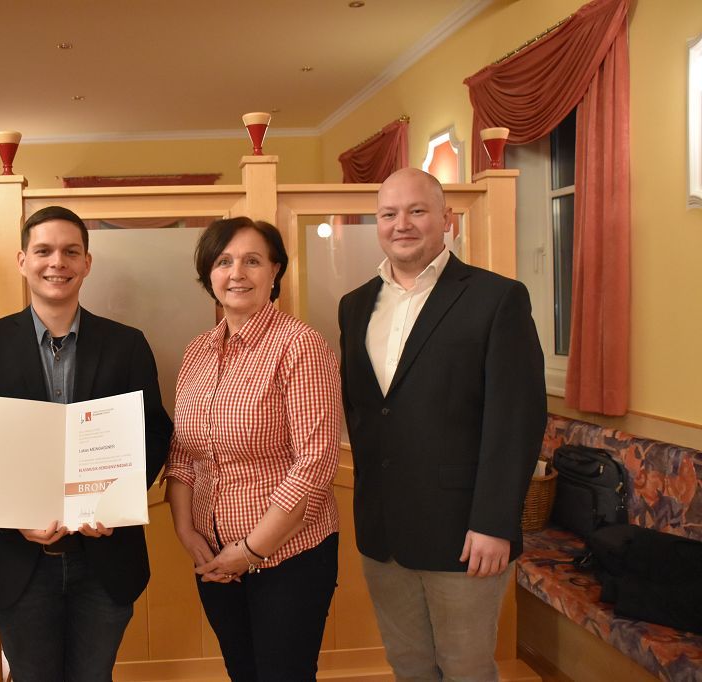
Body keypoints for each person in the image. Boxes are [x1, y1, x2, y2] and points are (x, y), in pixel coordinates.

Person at [0, 205, 172, 682]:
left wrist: (116, 502)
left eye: (70, 252)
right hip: (16, 561)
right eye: (43, 251)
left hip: (105, 559)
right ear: (22, 260)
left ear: (87, 262)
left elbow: (154, 432)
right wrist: (10, 513)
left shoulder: (127, 344)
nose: (57, 263)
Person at [338, 168, 547, 680]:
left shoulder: (497, 298)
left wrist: (495, 521)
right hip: (383, 530)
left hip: (466, 532)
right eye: (389, 214)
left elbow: (516, 418)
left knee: (466, 668)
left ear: (447, 219)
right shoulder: (355, 305)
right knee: (408, 665)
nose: (402, 224)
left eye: (417, 211)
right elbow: (366, 413)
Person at [165, 217, 342, 682]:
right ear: (209, 274)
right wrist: (187, 533)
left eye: (252, 261)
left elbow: (315, 463)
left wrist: (250, 550)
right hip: (213, 557)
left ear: (275, 270)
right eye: (223, 261)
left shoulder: (300, 346)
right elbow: (183, 453)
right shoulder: (197, 351)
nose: (236, 273)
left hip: (289, 556)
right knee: (242, 672)